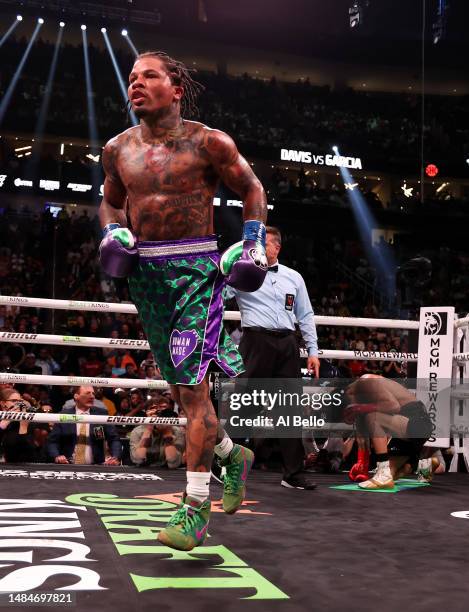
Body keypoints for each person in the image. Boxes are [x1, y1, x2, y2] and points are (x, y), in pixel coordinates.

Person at [98, 51, 268, 551]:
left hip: (196, 270)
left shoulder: (208, 141)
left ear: (175, 89)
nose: (136, 83)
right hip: (145, 274)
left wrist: (254, 241)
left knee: (193, 393)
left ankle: (195, 507)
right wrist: (112, 233)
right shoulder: (116, 150)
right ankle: (233, 455)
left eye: (149, 75)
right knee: (179, 392)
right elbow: (110, 201)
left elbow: (252, 187)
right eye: (131, 77)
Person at [225, 226, 320, 489]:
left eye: (262, 243)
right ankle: (223, 462)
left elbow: (306, 315)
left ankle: (292, 474)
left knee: (289, 409)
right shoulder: (244, 271)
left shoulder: (294, 277)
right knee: (245, 405)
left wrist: (312, 351)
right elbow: (221, 297)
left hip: (288, 344)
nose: (256, 247)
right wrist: (225, 274)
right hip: (256, 341)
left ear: (276, 247)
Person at [341, 374, 433, 490]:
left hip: (417, 423)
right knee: (393, 472)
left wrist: (361, 408)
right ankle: (426, 466)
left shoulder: (366, 381)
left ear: (349, 393)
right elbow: (362, 438)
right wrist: (361, 463)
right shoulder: (361, 399)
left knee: (372, 417)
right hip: (402, 432)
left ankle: (383, 475)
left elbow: (394, 406)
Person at [47, 386, 122, 466]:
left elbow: (114, 439)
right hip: (67, 466)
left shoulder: (101, 414)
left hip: (96, 467)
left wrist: (115, 457)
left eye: (93, 393)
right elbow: (52, 441)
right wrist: (57, 456)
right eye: (88, 393)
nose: (92, 396)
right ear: (76, 396)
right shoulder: (64, 415)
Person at [129, 398, 185, 468]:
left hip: (168, 473)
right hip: (144, 471)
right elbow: (138, 460)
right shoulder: (137, 431)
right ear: (147, 412)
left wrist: (167, 432)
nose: (160, 414)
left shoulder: (176, 431)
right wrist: (149, 428)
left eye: (163, 409)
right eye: (155, 410)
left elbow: (173, 463)